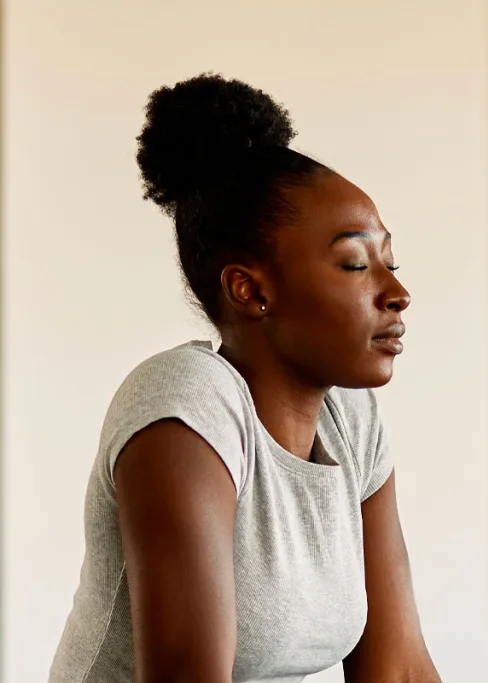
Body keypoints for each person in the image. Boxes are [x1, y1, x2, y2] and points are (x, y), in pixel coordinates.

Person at [48, 74, 441, 683]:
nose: (397, 294)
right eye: (356, 264)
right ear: (249, 289)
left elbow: (399, 670)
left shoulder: (352, 422)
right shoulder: (186, 405)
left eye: (390, 262)